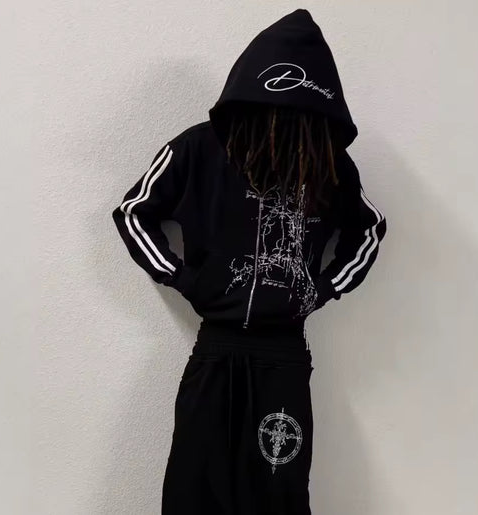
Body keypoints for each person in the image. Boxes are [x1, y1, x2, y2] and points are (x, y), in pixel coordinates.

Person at [111, 8, 387, 515]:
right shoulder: (200, 148)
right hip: (216, 350)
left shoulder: (326, 161)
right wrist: (185, 279)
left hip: (284, 357)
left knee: (278, 498)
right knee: (192, 492)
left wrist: (321, 290)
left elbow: (368, 228)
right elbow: (133, 213)